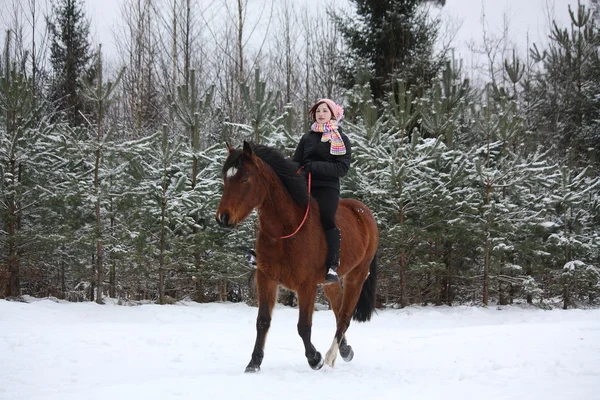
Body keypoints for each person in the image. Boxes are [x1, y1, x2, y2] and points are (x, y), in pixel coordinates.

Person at [293, 98, 352, 283]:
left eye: (325, 111)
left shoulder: (341, 139)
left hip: (327, 186)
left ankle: (332, 265)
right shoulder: (307, 137)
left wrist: (315, 166)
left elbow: (342, 168)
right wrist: (293, 173)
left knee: (326, 216)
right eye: (318, 111)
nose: (321, 114)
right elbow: (296, 160)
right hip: (304, 182)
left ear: (333, 114)